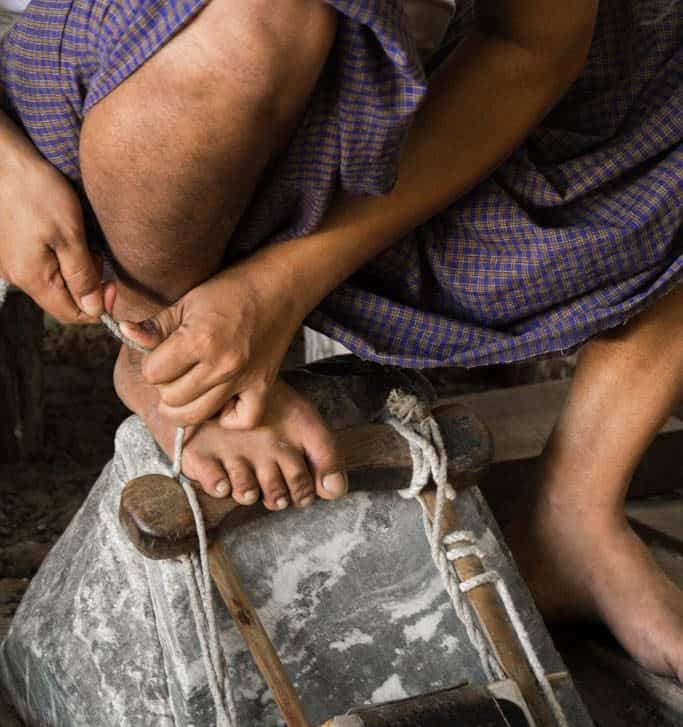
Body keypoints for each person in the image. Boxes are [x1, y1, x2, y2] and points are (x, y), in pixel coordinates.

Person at [0, 0, 681, 682]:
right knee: (264, 20)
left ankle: (572, 519)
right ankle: (168, 350)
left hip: (379, 119)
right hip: (127, 83)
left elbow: (526, 48)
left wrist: (279, 286)